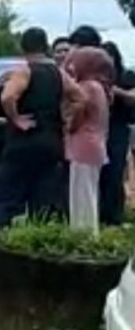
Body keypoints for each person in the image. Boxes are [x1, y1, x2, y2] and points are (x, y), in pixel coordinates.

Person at [0, 28, 85, 229]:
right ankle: (39, 246)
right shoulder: (59, 73)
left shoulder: (25, 70)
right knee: (44, 201)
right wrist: (68, 120)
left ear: (22, 47)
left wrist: (16, 118)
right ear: (47, 46)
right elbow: (80, 98)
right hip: (51, 142)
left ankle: (1, 242)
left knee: (4, 196)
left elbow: (7, 96)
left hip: (23, 142)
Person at [64, 47, 114, 233]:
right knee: (89, 193)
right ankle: (89, 233)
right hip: (96, 145)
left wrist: (70, 125)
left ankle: (81, 233)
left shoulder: (87, 86)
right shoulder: (100, 87)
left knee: (80, 195)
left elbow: (78, 109)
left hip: (83, 145)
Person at [101, 42, 135, 225]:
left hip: (117, 129)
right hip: (98, 130)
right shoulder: (95, 78)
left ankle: (114, 216)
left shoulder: (125, 76)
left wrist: (115, 91)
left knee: (115, 173)